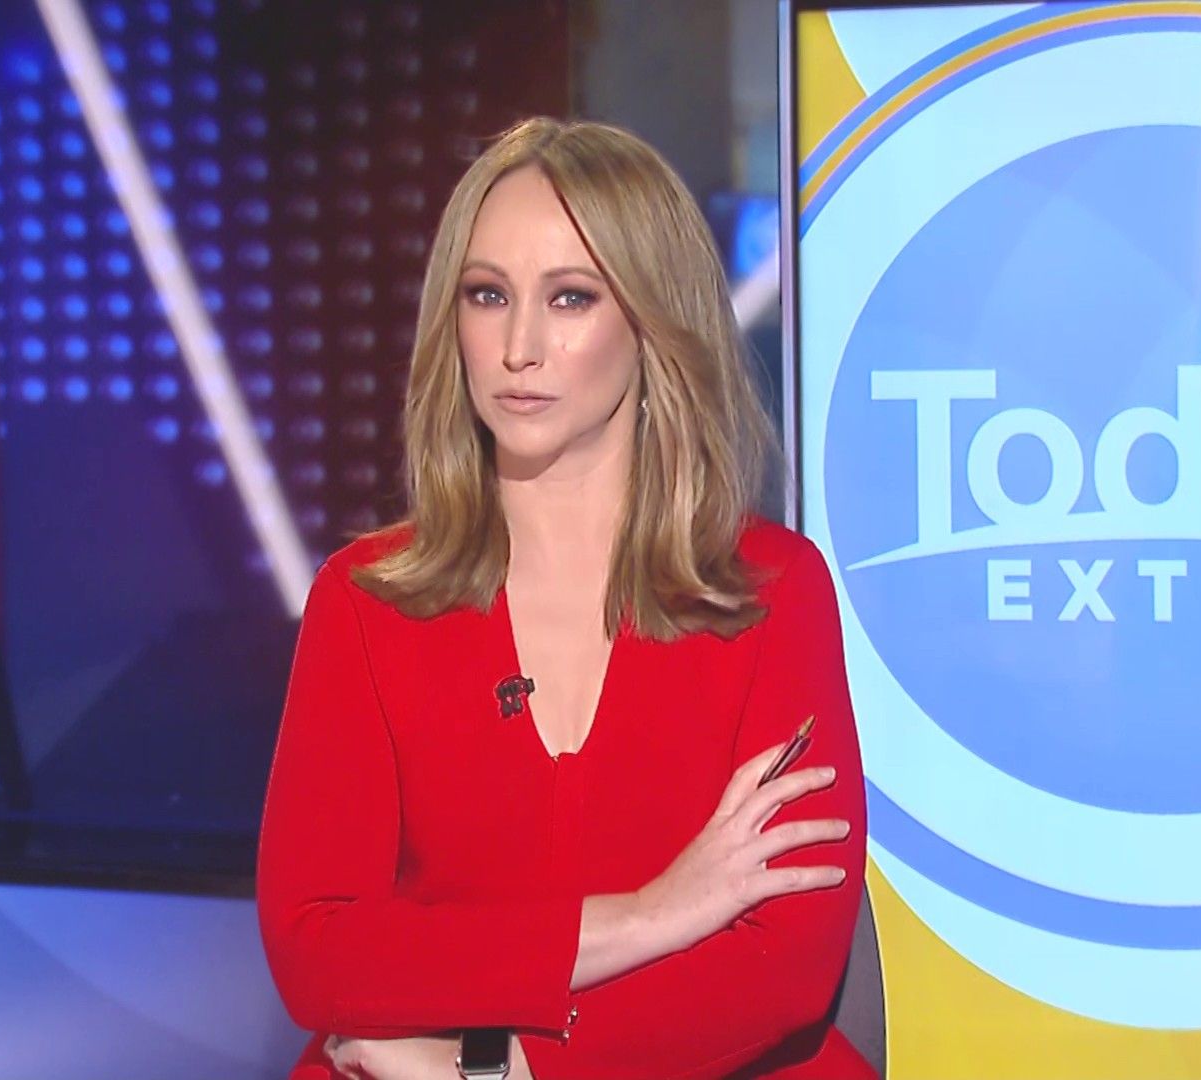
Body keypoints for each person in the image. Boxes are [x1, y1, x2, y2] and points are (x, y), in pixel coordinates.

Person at [256, 116, 871, 1080]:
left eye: (571, 298)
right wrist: (648, 917)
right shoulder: (366, 604)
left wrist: (495, 1069)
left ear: (652, 321)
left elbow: (782, 966)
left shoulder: (769, 591)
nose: (519, 346)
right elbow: (318, 951)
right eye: (488, 295)